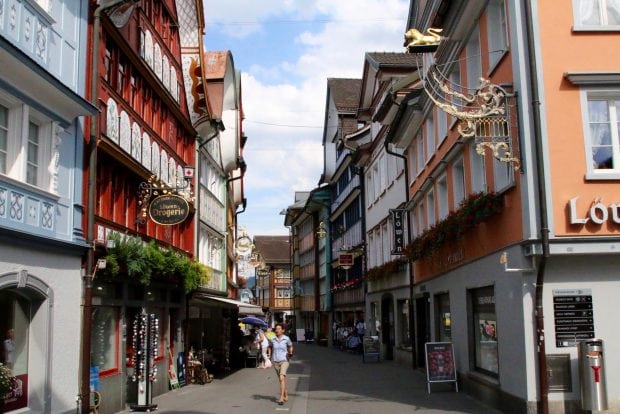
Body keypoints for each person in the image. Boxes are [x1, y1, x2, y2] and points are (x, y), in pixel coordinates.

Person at [269, 323, 293, 405]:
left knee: (282, 377)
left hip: (284, 360)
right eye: (276, 329)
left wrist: (290, 352)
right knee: (281, 379)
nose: (277, 330)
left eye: (279, 329)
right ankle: (286, 393)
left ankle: (281, 398)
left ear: (283, 330)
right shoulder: (273, 339)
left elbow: (290, 346)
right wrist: (269, 355)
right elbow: (270, 347)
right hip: (275, 361)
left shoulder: (286, 339)